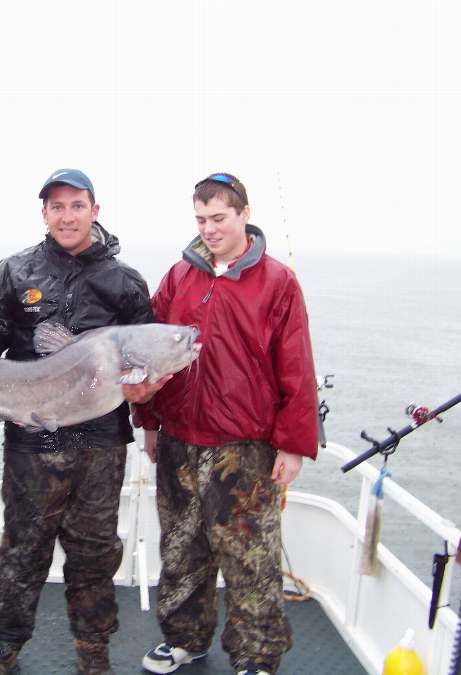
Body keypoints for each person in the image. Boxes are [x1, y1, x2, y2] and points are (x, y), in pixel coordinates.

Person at [0, 168, 160, 675]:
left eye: (77, 205)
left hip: (101, 443)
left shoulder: (126, 283)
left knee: (95, 554)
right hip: (32, 440)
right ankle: (2, 649)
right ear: (44, 214)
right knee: (22, 550)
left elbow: (145, 359)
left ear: (95, 211)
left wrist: (147, 394)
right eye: (56, 207)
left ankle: (94, 653)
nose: (67, 216)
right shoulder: (14, 272)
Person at [132, 173, 319, 675]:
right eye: (201, 219)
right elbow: (149, 353)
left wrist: (293, 445)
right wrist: (148, 420)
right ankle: (184, 639)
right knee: (181, 548)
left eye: (219, 218)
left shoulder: (277, 281)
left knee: (249, 556)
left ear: (243, 215)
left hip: (244, 446)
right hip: (178, 441)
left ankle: (256, 656)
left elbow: (296, 365)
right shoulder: (179, 276)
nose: (209, 229)